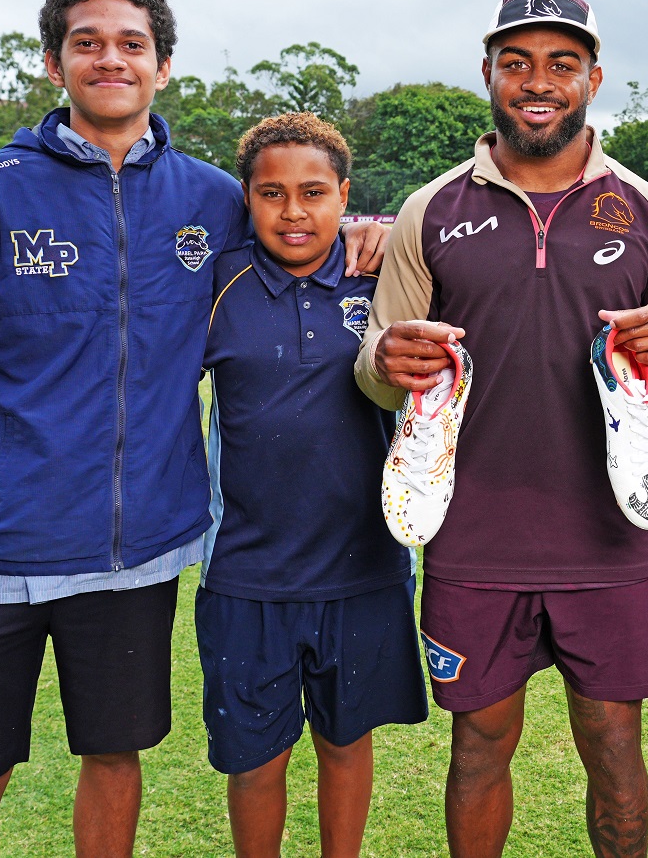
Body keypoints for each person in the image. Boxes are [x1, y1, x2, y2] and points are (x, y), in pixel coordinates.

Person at [0, 0, 385, 858]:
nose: (112, 59)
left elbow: (298, 245)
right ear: (54, 63)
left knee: (114, 759)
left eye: (132, 44)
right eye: (88, 43)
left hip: (135, 549)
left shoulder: (215, 200)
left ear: (163, 65)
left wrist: (369, 232)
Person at [355, 0, 648, 858]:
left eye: (562, 63)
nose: (538, 81)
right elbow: (379, 363)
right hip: (474, 536)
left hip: (607, 538)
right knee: (480, 744)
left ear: (593, 77)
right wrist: (384, 362)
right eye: (516, 62)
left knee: (612, 742)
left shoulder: (646, 211)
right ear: (487, 74)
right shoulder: (431, 209)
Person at [199, 112, 427, 858]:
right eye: (272, 193)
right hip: (245, 572)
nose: (294, 211)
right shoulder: (218, 284)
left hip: (362, 565)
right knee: (256, 759)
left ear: (345, 195)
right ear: (247, 197)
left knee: (345, 739)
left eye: (313, 192)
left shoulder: (383, 280)